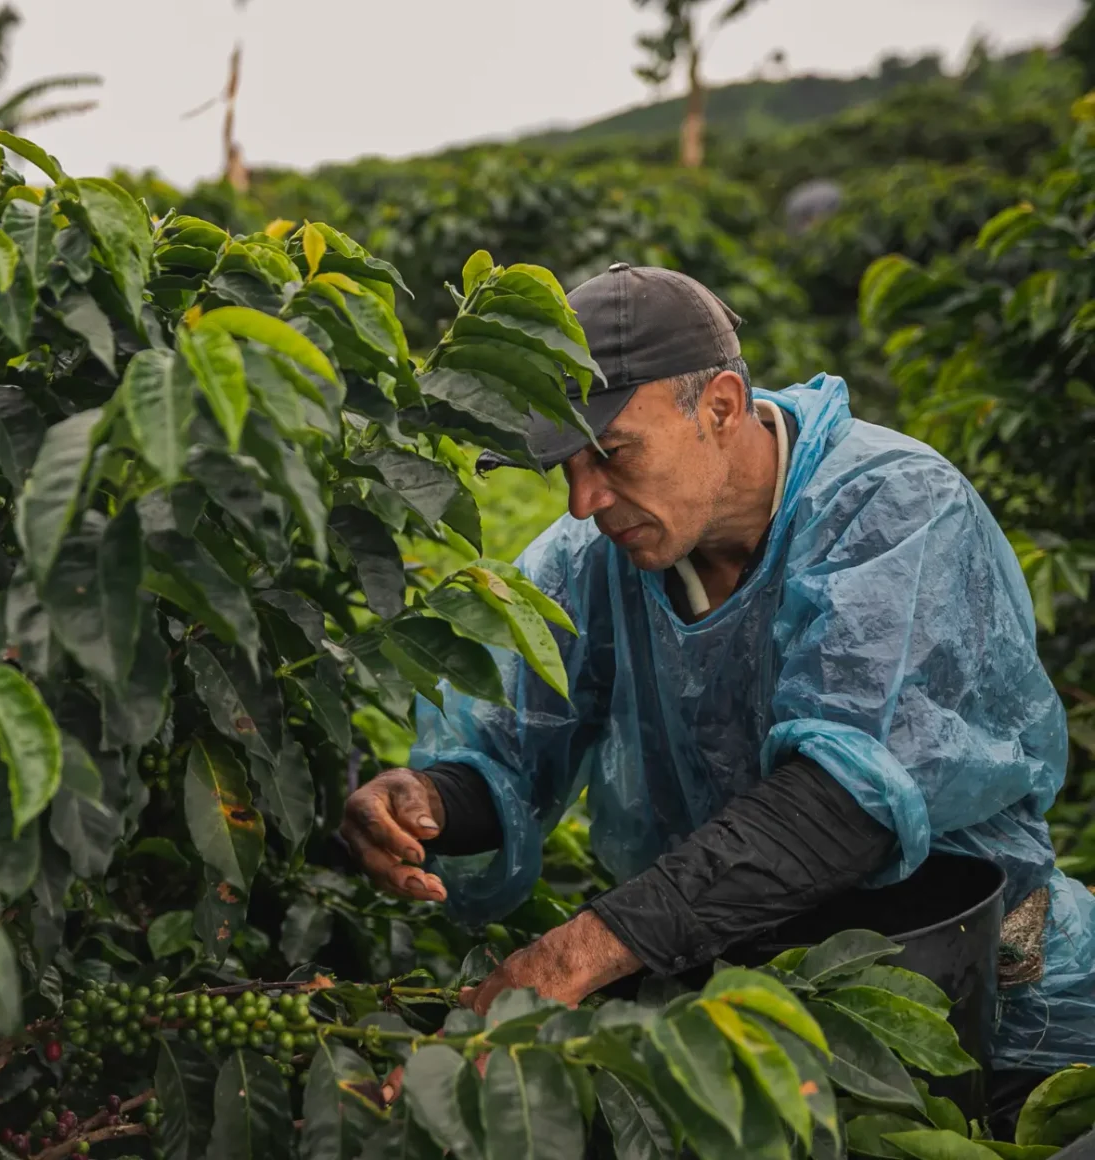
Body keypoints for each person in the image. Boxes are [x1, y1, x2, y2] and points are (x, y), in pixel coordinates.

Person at [340, 263, 1095, 1098]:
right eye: (564, 466)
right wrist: (429, 800)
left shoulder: (895, 513)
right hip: (744, 1013)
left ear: (722, 406)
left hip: (978, 1002)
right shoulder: (593, 562)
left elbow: (846, 803)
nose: (585, 498)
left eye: (611, 452)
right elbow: (512, 751)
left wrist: (577, 951)